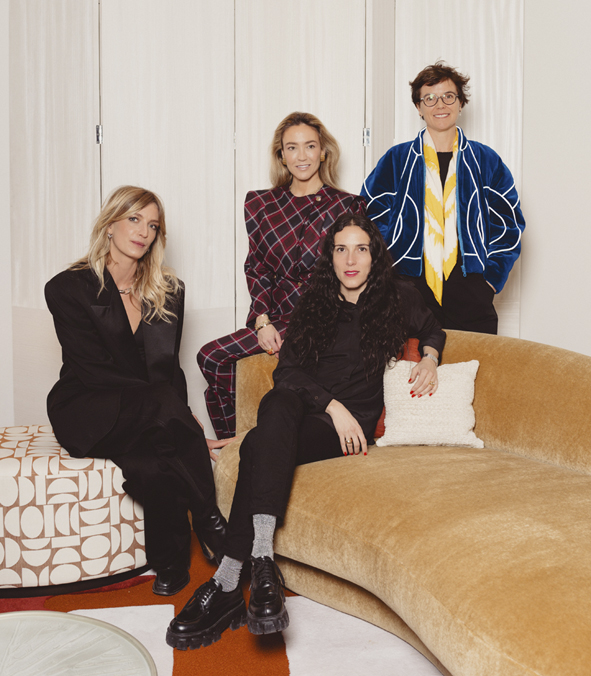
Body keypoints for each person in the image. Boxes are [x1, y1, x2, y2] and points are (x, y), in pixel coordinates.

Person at [166, 212, 445, 650]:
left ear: (374, 256)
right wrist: (333, 406)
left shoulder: (397, 298)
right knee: (277, 404)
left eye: (360, 249)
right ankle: (262, 561)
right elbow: (288, 373)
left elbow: (432, 328)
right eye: (341, 250)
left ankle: (226, 583)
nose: (350, 260)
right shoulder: (314, 304)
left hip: (346, 432)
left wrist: (429, 357)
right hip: (316, 412)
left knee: (257, 444)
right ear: (329, 257)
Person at [45, 186, 232, 597]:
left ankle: (170, 563)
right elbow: (94, 373)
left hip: (145, 412)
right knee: (164, 414)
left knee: (154, 464)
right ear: (110, 224)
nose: (143, 231)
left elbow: (168, 370)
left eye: (153, 225)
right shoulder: (68, 288)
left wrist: (176, 416)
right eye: (134, 219)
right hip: (86, 409)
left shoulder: (169, 290)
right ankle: (209, 519)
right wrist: (175, 417)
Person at [198, 112, 366, 440]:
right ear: (281, 155)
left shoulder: (347, 206)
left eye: (310, 146)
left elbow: (354, 270)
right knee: (211, 357)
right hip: (275, 314)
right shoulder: (261, 203)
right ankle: (234, 443)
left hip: (323, 313)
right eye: (292, 147)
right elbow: (257, 266)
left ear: (323, 152)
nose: (302, 156)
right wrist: (261, 320)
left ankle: (253, 442)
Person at [361, 61, 526, 334]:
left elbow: (509, 224)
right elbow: (370, 216)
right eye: (430, 98)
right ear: (418, 107)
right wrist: (391, 267)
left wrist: (489, 280)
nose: (440, 105)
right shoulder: (397, 159)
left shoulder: (485, 159)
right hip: (409, 283)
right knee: (410, 359)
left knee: (475, 359)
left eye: (449, 96)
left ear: (460, 103)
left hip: (470, 284)